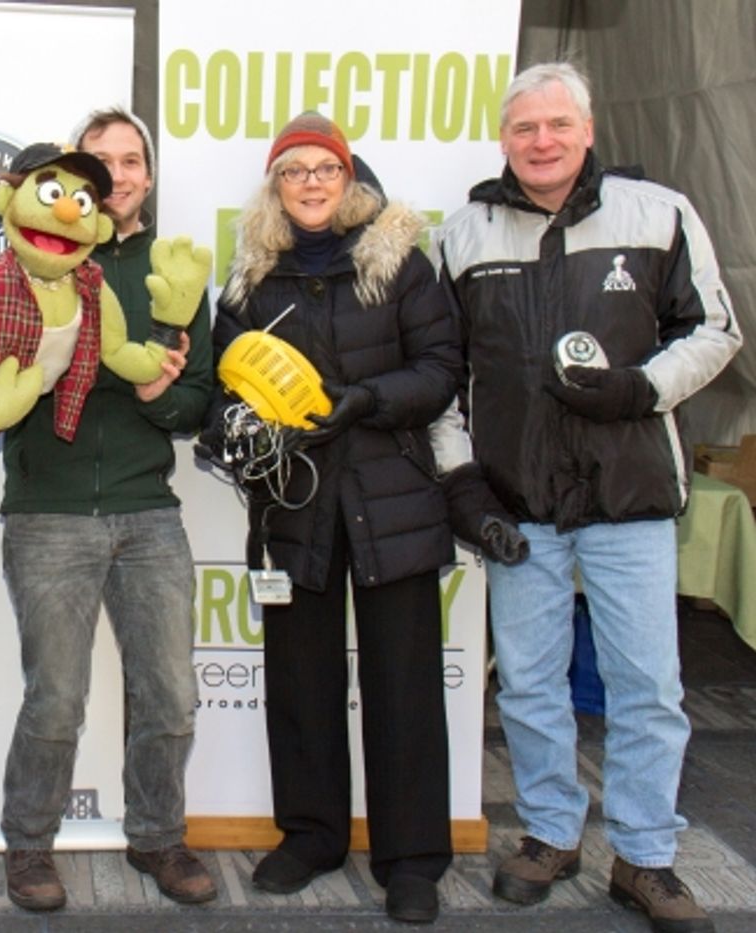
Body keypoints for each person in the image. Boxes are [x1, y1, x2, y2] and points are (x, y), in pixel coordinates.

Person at [432, 62, 741, 933]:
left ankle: (644, 855)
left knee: (647, 686)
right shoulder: (463, 234)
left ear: (588, 131)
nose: (542, 141)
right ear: (503, 139)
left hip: (628, 494)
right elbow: (440, 376)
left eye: (558, 125)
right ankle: (550, 833)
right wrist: (461, 480)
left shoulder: (659, 214)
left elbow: (715, 330)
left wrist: (642, 388)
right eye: (525, 128)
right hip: (519, 501)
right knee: (530, 684)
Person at [201, 112, 460, 923]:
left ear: (349, 179)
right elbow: (221, 386)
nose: (310, 183)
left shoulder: (400, 263)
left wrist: (367, 400)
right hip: (296, 501)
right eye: (294, 170)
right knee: (301, 679)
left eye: (325, 168)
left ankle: (411, 859)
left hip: (392, 497)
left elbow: (441, 369)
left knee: (403, 685)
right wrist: (236, 429)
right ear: (274, 186)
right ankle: (311, 835)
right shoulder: (250, 277)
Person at [0, 106, 218, 911]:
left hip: (149, 511)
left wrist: (159, 393)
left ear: (148, 178)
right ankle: (29, 845)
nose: (118, 175)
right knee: (55, 698)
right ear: (75, 175)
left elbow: (198, 398)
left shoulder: (174, 271)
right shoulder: (34, 259)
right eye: (102, 160)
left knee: (172, 695)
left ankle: (157, 835)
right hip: (48, 513)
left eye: (131, 161)